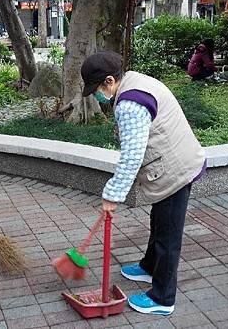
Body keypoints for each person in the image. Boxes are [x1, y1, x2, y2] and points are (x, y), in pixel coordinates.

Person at [81, 51, 206, 315]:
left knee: (168, 235)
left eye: (96, 89)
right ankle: (150, 268)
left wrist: (112, 196)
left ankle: (163, 298)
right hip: (174, 161)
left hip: (176, 169)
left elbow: (131, 157)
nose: (97, 96)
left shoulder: (129, 106)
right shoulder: (134, 79)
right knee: (160, 222)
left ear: (110, 80)